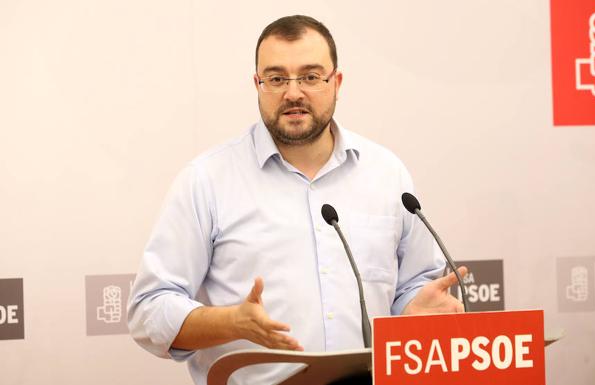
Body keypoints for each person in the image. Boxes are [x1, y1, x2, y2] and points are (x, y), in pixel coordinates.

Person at [127, 15, 466, 385]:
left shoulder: (387, 174)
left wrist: (412, 312)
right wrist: (231, 322)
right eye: (276, 79)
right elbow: (149, 308)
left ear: (336, 83)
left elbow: (410, 290)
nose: (293, 93)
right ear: (257, 85)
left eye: (310, 76)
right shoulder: (207, 180)